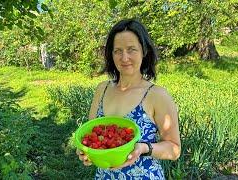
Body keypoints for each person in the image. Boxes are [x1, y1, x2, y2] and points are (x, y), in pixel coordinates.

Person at [76, 19, 181, 179]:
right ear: (111, 54)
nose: (124, 58)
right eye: (117, 51)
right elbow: (91, 136)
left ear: (144, 51)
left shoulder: (156, 95)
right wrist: (85, 150)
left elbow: (174, 150)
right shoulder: (102, 90)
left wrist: (144, 148)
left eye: (131, 49)